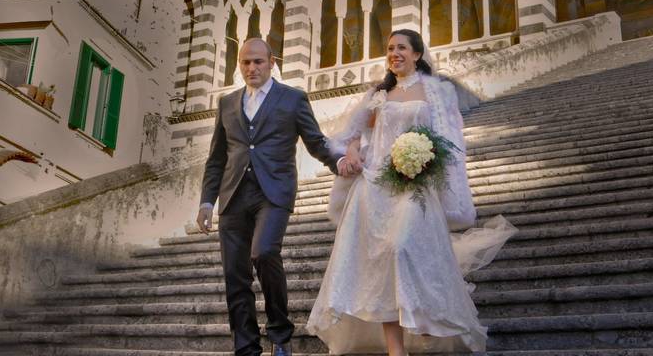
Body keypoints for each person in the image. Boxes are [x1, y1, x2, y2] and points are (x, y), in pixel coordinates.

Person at [307, 29, 516, 355]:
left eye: (401, 47)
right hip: (376, 186)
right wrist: (351, 152)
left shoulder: (435, 91)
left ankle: (428, 319)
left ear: (417, 54)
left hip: (416, 185)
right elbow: (354, 132)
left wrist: (427, 160)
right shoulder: (378, 92)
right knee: (382, 263)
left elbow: (448, 139)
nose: (394, 53)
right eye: (390, 48)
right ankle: (395, 349)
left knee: (403, 248)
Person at [196, 38, 360, 356]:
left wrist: (338, 161)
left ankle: (280, 333)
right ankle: (246, 346)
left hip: (273, 193)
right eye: (245, 62)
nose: (251, 68)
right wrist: (207, 201)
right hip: (232, 196)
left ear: (272, 62)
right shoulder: (227, 104)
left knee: (264, 252)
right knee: (235, 275)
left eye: (258, 61)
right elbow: (216, 158)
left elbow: (315, 141)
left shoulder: (293, 99)